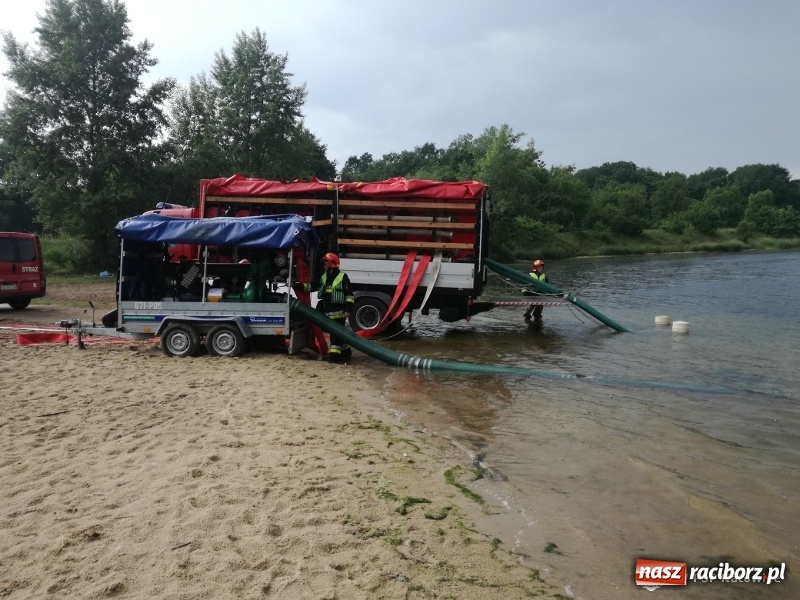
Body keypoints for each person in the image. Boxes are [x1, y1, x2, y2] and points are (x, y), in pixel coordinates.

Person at [316, 252, 355, 363]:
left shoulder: (342, 277)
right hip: (328, 313)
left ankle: (334, 357)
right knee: (339, 336)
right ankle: (346, 352)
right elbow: (314, 286)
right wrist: (299, 285)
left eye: (326, 263)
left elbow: (349, 296)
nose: (324, 266)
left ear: (332, 264)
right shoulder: (324, 277)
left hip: (339, 314)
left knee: (335, 336)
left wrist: (348, 310)